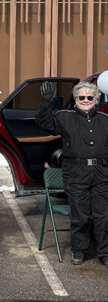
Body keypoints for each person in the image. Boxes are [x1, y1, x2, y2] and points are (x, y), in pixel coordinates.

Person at [37, 80, 108, 267]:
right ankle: (79, 251)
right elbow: (43, 122)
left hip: (102, 174)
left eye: (89, 97)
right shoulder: (64, 117)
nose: (85, 100)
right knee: (80, 216)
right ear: (75, 99)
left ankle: (105, 253)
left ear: (96, 99)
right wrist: (46, 102)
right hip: (76, 174)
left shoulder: (105, 119)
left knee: (103, 216)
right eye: (81, 97)